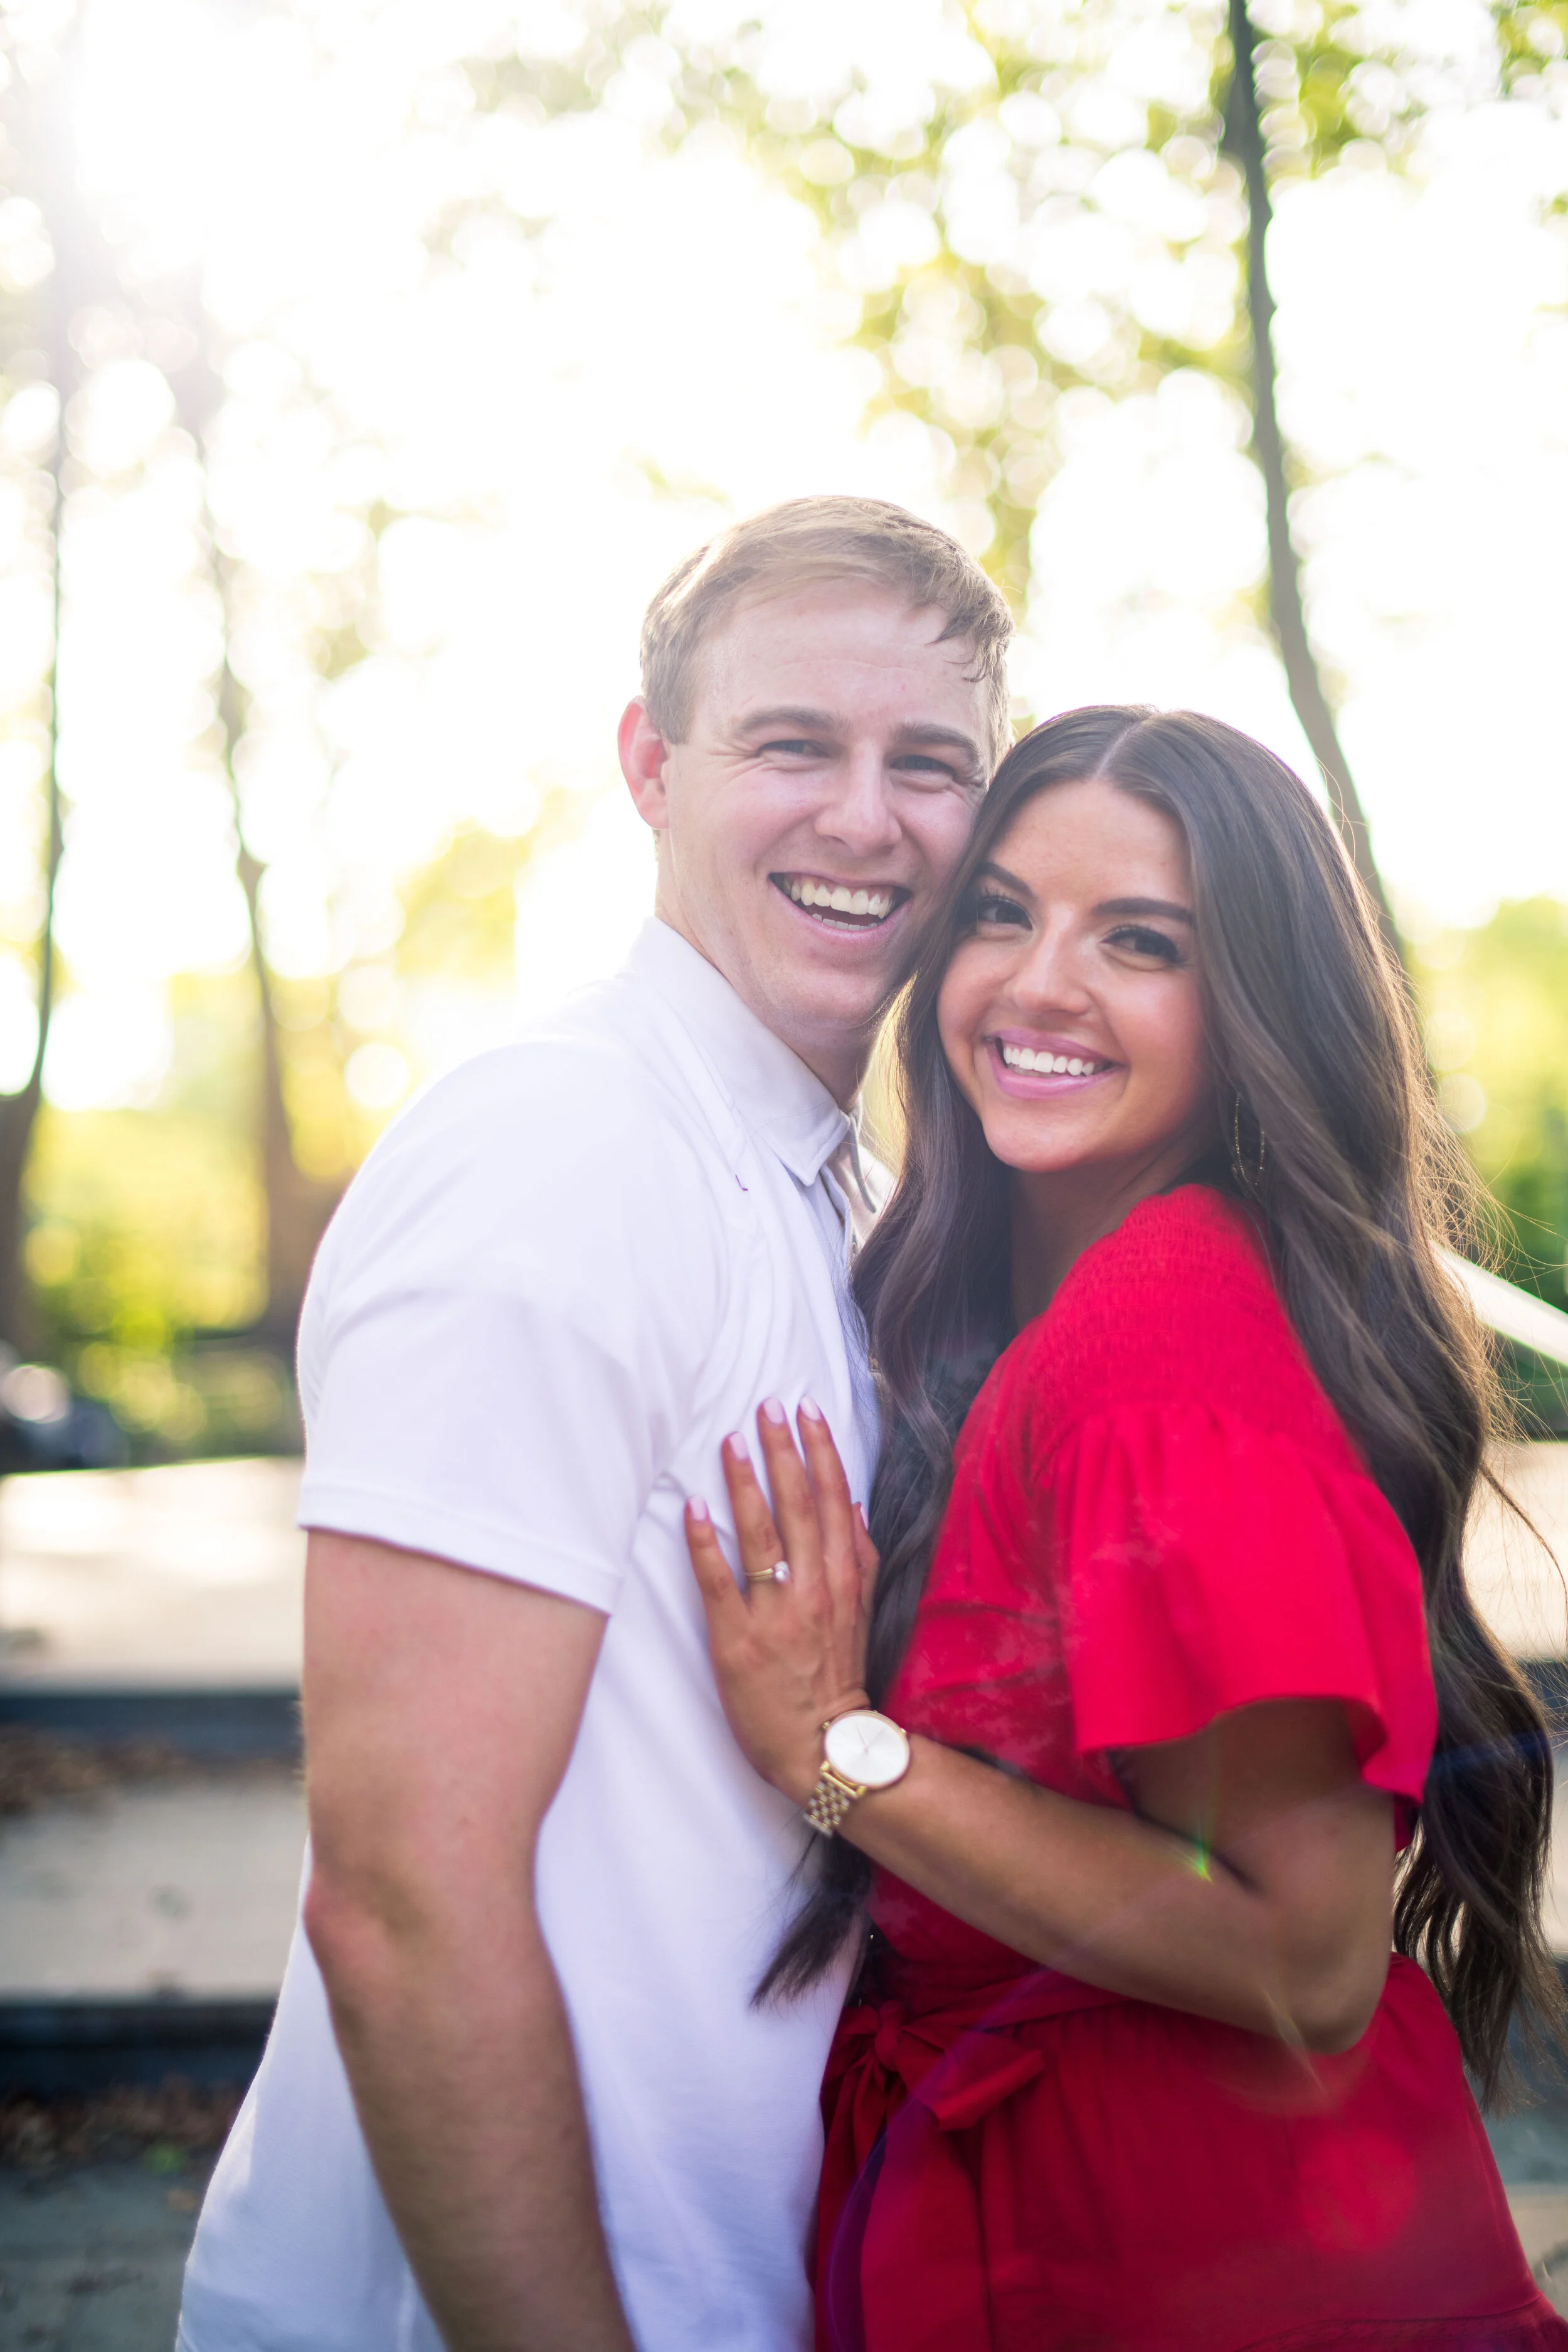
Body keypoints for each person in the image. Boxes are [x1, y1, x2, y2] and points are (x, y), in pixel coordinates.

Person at [176, 497, 1014, 2352]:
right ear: (650, 765)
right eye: (790, 744)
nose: (863, 816)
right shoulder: (559, 1153)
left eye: (929, 763)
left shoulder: (845, 1198)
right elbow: (404, 1897)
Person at [686, 705, 1568, 2351]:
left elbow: (1306, 1958)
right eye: (1001, 913)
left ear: (1252, 1010)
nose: (1040, 984)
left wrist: (837, 1749)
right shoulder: (1043, 1314)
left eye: (1139, 941)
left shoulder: (1157, 1349)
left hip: (1193, 2258)